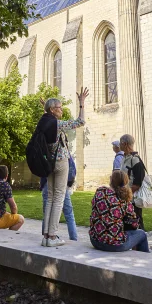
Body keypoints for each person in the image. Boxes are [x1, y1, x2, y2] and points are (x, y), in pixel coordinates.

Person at [37, 88, 89, 247]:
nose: (62, 109)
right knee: (59, 197)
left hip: (49, 164)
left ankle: (46, 235)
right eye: (59, 107)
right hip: (60, 162)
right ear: (52, 110)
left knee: (51, 197)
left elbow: (46, 118)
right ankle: (52, 236)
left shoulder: (43, 122)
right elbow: (80, 121)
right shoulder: (57, 124)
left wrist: (44, 107)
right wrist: (81, 104)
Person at [89, 170, 149, 253]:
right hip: (114, 244)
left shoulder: (100, 192)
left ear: (111, 180)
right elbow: (134, 224)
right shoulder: (124, 201)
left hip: (95, 240)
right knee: (142, 234)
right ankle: (144, 261)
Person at [40, 156, 78, 241]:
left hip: (47, 183)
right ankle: (72, 238)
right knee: (68, 213)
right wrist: (69, 183)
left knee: (47, 210)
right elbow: (72, 169)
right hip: (61, 184)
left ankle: (46, 237)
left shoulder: (47, 152)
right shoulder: (64, 153)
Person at [120, 134, 146, 230]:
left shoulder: (135, 159)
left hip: (133, 198)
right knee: (126, 222)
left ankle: (141, 243)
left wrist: (127, 194)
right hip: (125, 196)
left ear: (125, 143)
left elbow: (138, 182)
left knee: (136, 221)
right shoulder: (125, 158)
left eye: (120, 143)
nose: (119, 145)